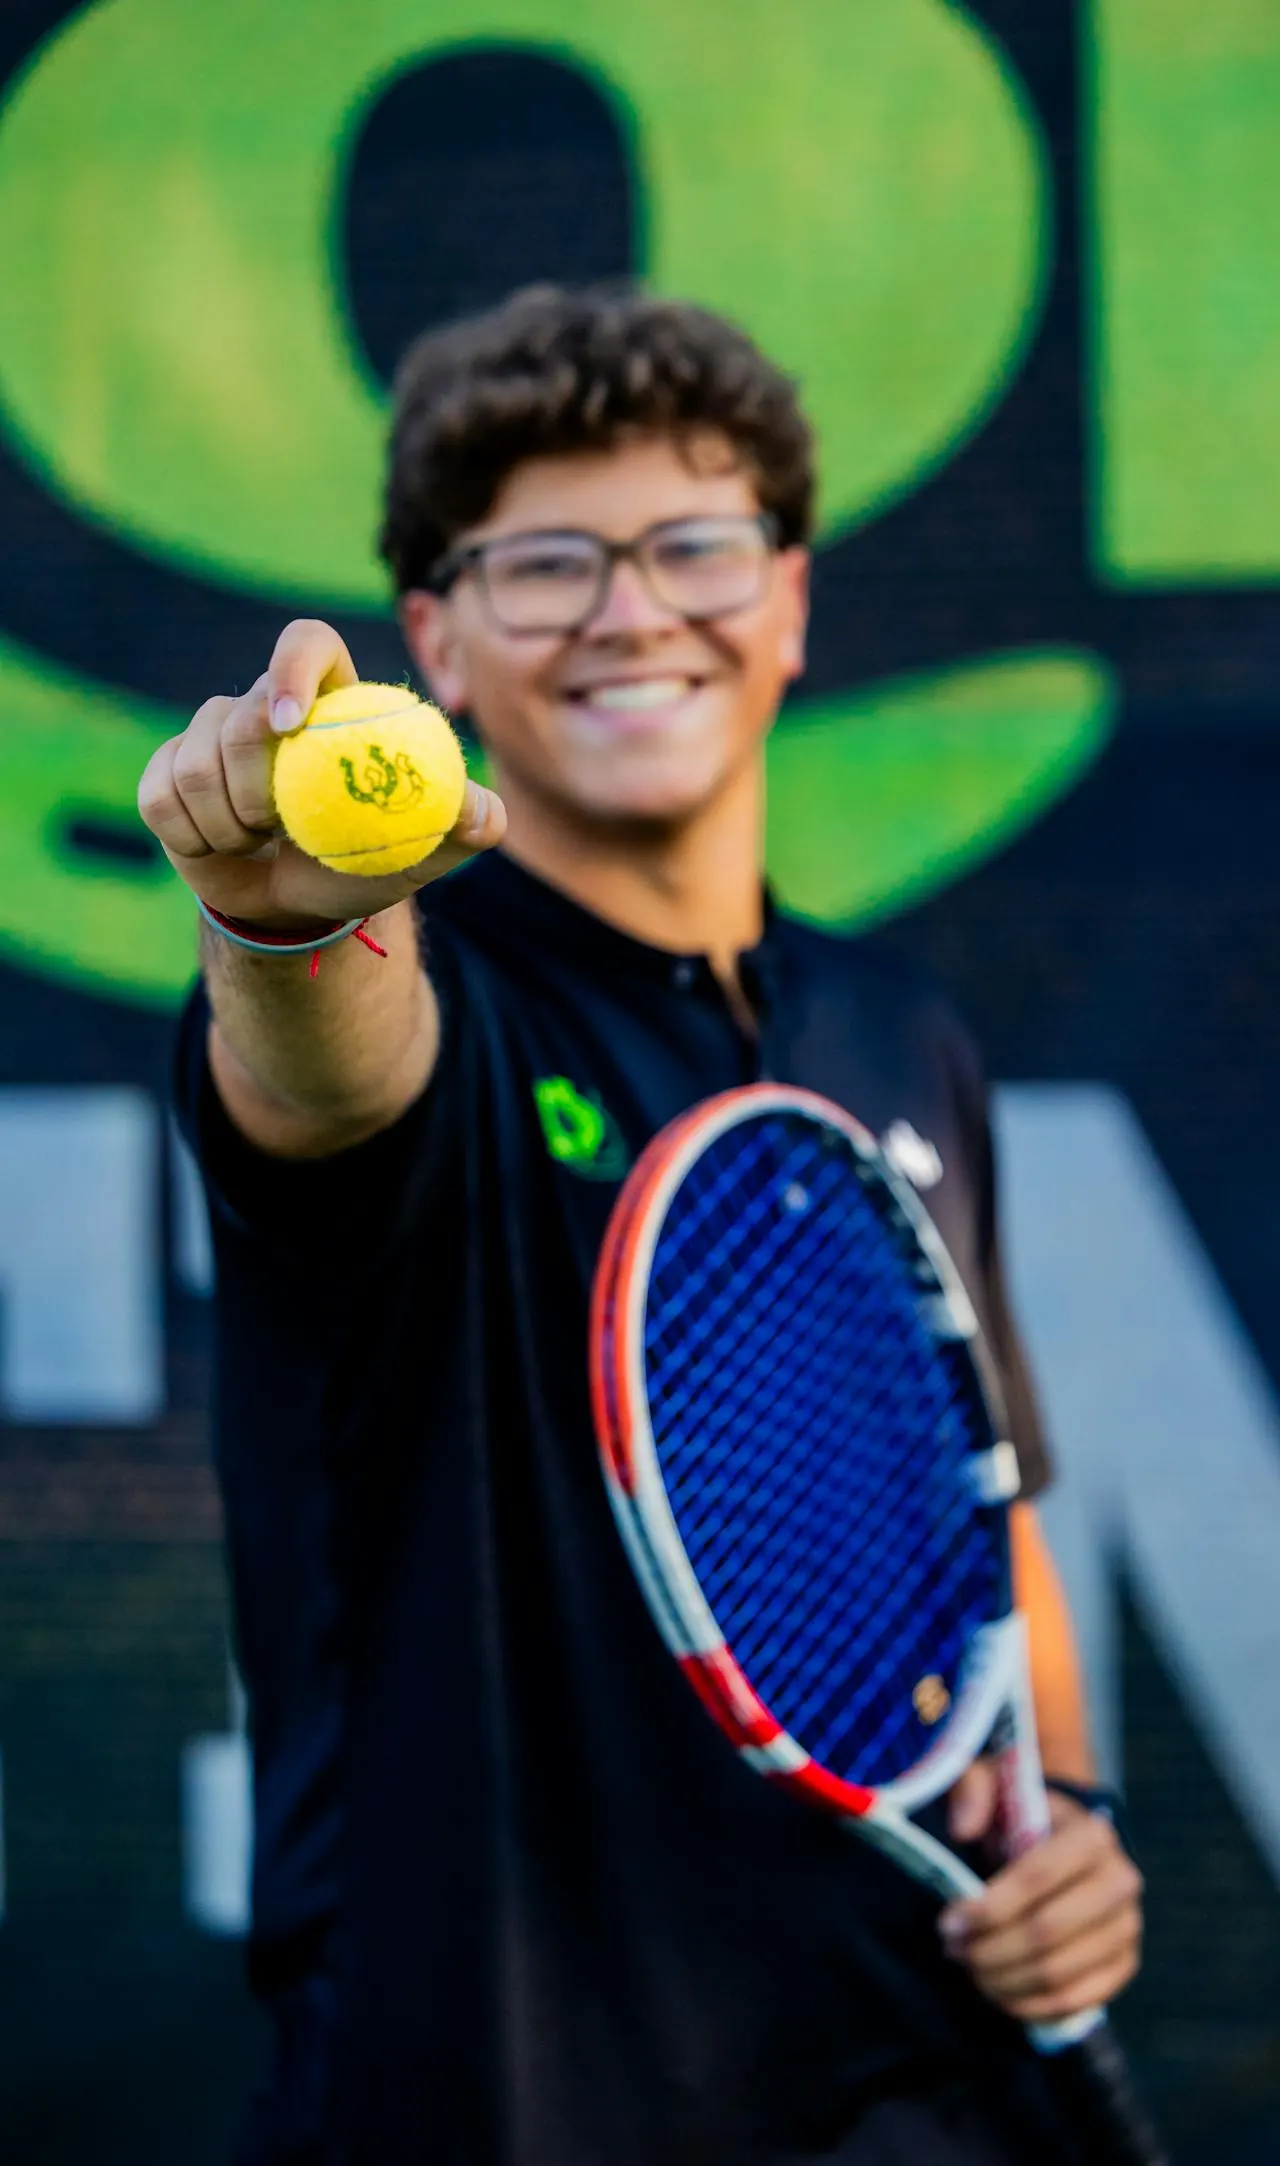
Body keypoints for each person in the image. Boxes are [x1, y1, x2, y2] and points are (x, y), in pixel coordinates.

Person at [140, 286, 1143, 2166]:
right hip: (503, 2101)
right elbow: (329, 1071)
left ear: (788, 600)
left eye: (692, 543)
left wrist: (1063, 1808)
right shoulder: (439, 998)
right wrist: (283, 922)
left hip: (925, 2092)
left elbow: (983, 1507)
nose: (629, 611)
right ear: (434, 633)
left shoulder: (895, 1030)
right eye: (544, 564)